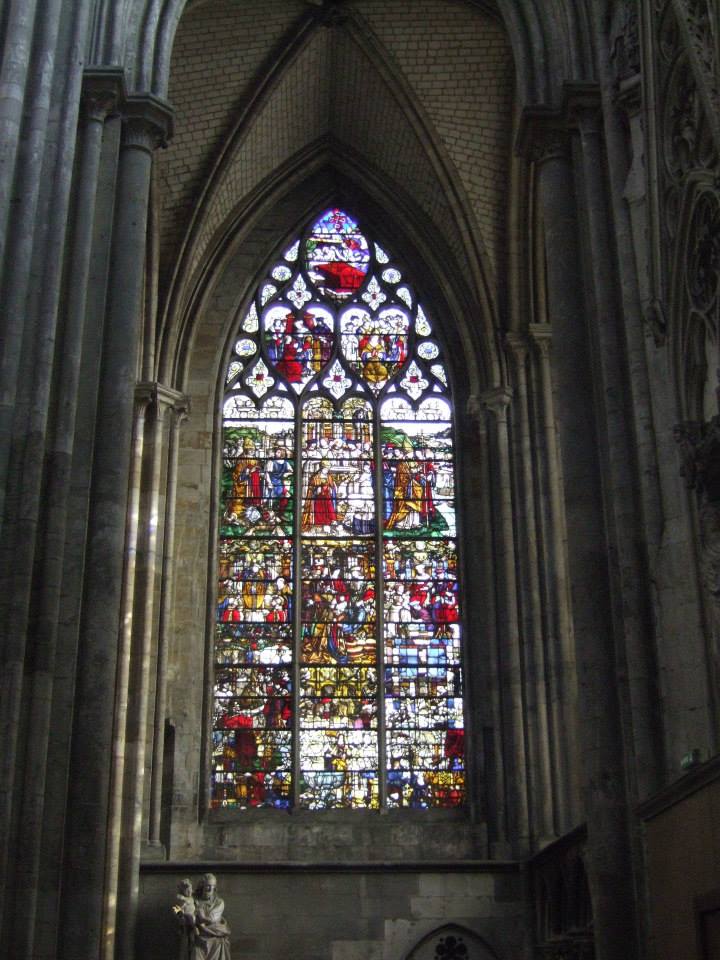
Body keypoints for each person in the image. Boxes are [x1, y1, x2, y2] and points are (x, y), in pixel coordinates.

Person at [175, 874, 231, 960]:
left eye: (211, 886)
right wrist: (181, 916)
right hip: (197, 936)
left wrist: (199, 918)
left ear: (214, 888)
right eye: (206, 886)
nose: (208, 889)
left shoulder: (219, 902)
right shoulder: (191, 898)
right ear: (202, 886)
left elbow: (211, 920)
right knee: (195, 949)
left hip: (214, 935)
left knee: (218, 943)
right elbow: (176, 909)